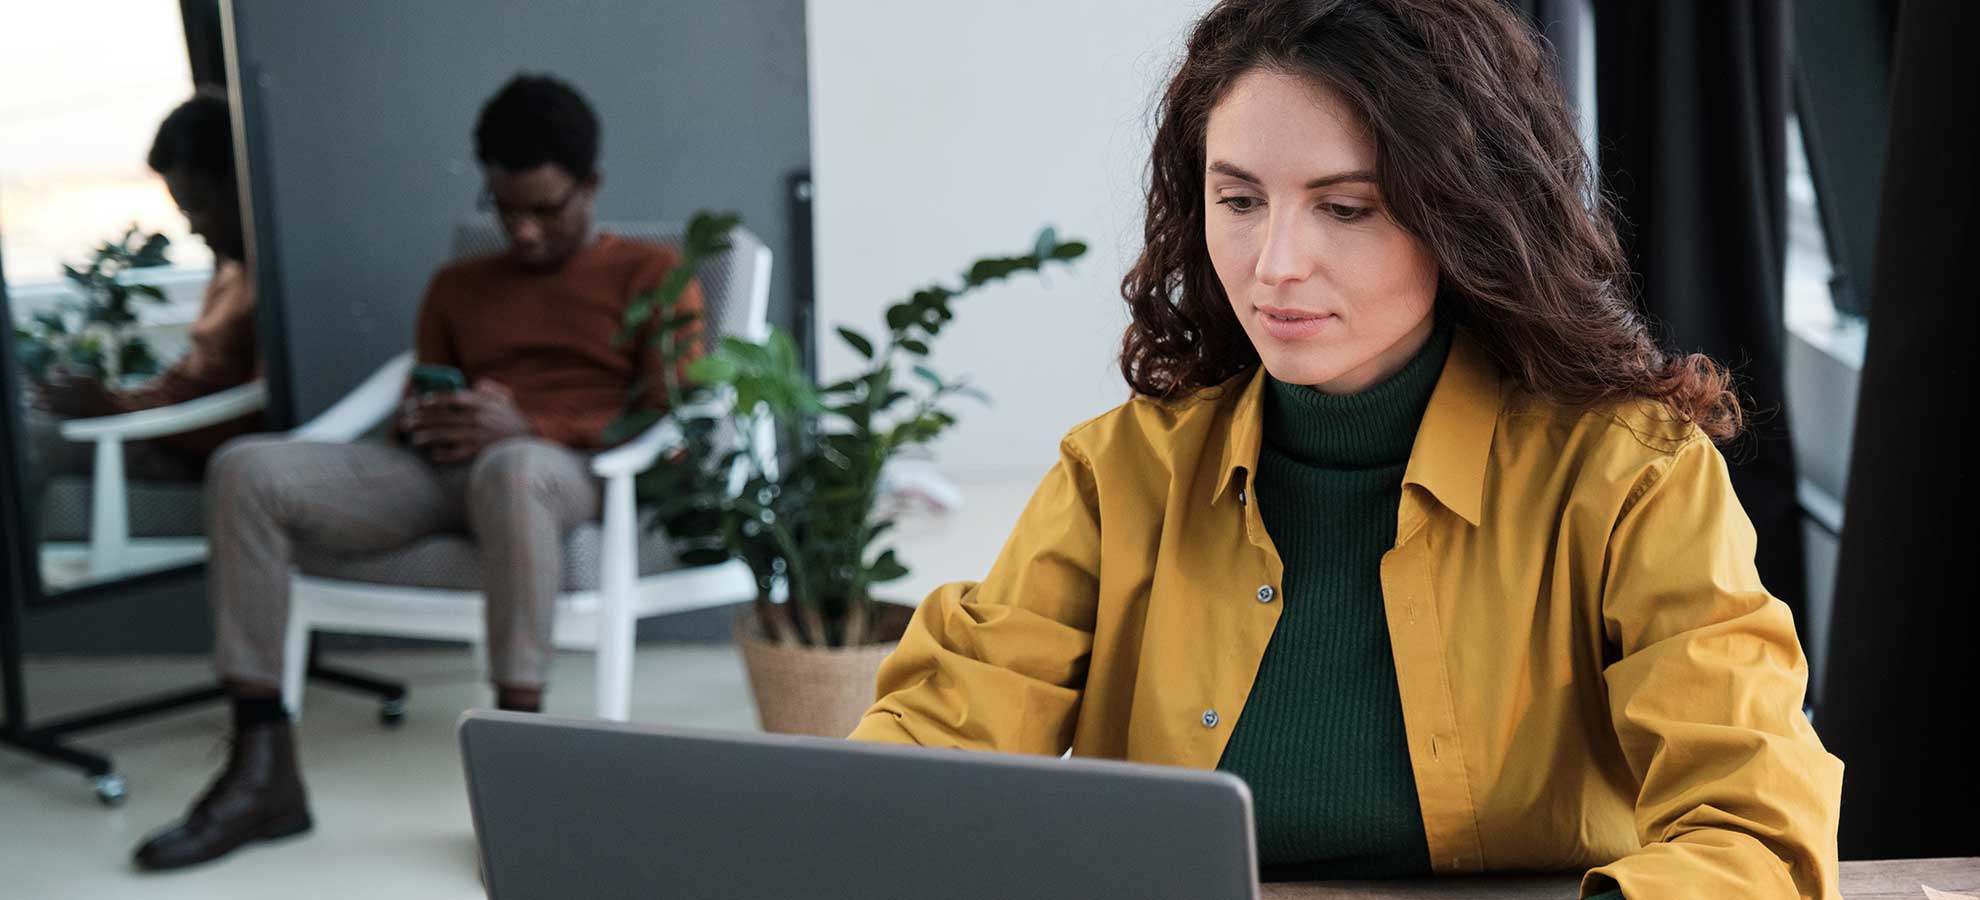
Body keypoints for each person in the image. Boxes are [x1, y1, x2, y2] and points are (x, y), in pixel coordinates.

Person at [849, 1, 1842, 898]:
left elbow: (1757, 819)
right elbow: (935, 748)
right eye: (1239, 201)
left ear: (1465, 214)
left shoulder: (1631, 475)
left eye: (1346, 207)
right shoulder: (1122, 475)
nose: (1276, 264)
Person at [132, 73, 704, 871]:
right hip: (444, 472)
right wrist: (427, 418)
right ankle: (263, 769)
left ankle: (522, 768)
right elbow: (419, 389)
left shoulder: (653, 275)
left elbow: (670, 411)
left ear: (592, 184)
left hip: (566, 473)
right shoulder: (458, 286)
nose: (527, 233)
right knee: (246, 469)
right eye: (507, 211)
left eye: (548, 209)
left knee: (510, 467)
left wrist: (528, 424)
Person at [24, 90, 260, 491]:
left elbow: (249, 419)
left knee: (24, 445)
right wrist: (111, 399)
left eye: (197, 207)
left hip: (187, 452)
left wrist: (112, 408)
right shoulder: (231, 267)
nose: (193, 228)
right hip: (158, 427)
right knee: (26, 416)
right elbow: (188, 380)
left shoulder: (271, 288)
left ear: (239, 184)